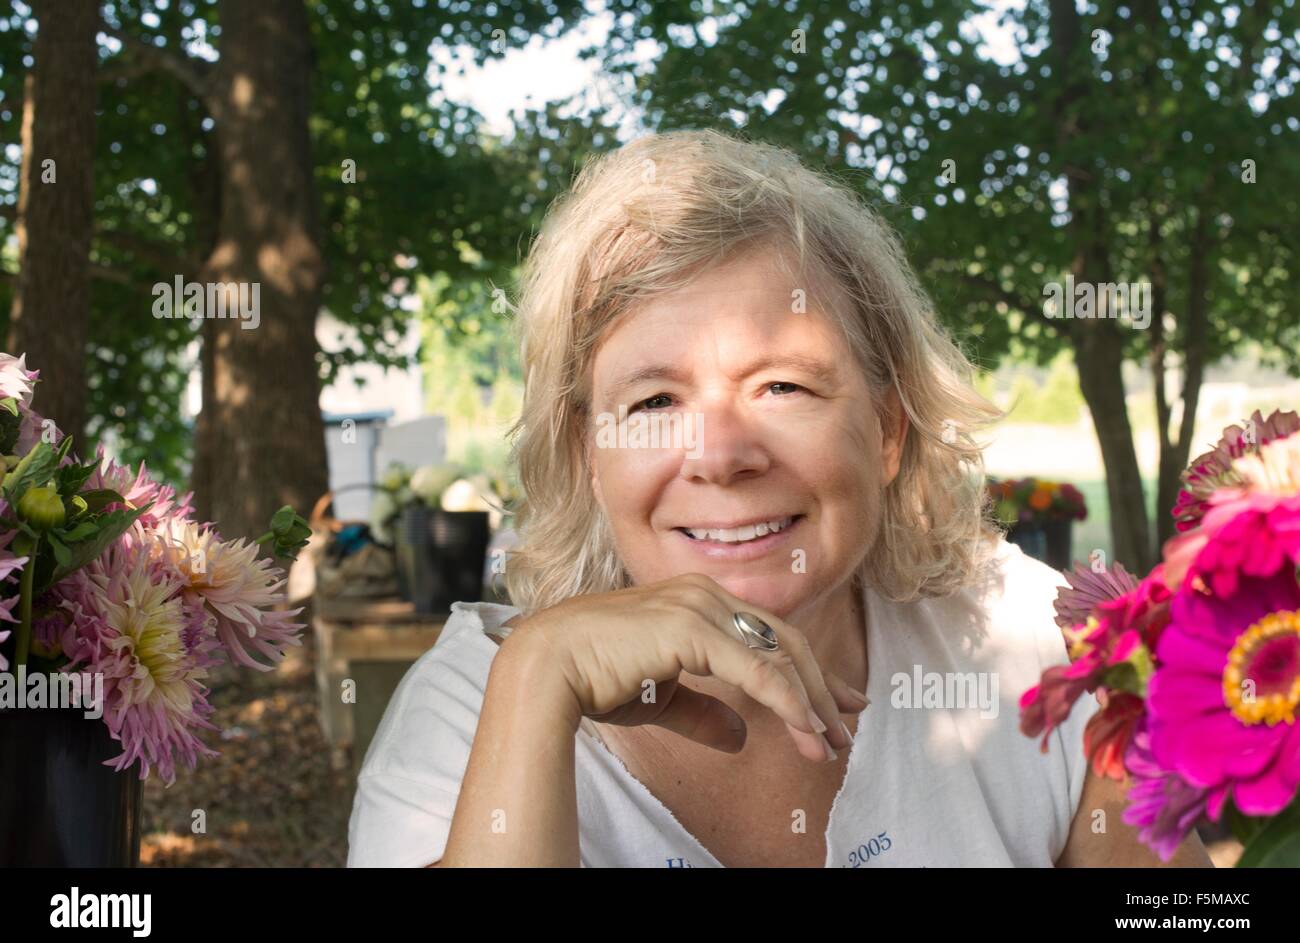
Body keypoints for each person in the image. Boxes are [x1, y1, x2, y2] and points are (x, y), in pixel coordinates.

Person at [347, 129, 1212, 868]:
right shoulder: (475, 703)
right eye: (654, 402)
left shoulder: (1034, 644)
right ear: (589, 455)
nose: (720, 456)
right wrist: (538, 677)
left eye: (783, 386)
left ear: (886, 429)